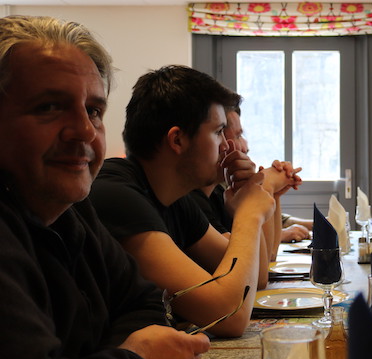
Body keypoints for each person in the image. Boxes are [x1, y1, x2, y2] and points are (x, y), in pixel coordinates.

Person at [0, 15, 209, 359]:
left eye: (94, 110)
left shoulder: (72, 211)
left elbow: (145, 302)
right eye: (49, 107)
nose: (84, 131)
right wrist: (137, 357)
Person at [89, 65, 298, 337]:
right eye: (218, 132)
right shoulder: (117, 197)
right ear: (177, 140)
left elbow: (255, 278)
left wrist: (247, 193)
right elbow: (229, 316)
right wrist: (249, 216)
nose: (227, 146)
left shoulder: (174, 197)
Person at [189, 104, 302, 257]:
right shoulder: (193, 201)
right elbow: (257, 263)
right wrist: (266, 185)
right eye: (238, 136)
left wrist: (274, 194)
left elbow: (270, 254)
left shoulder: (218, 194)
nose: (245, 146)